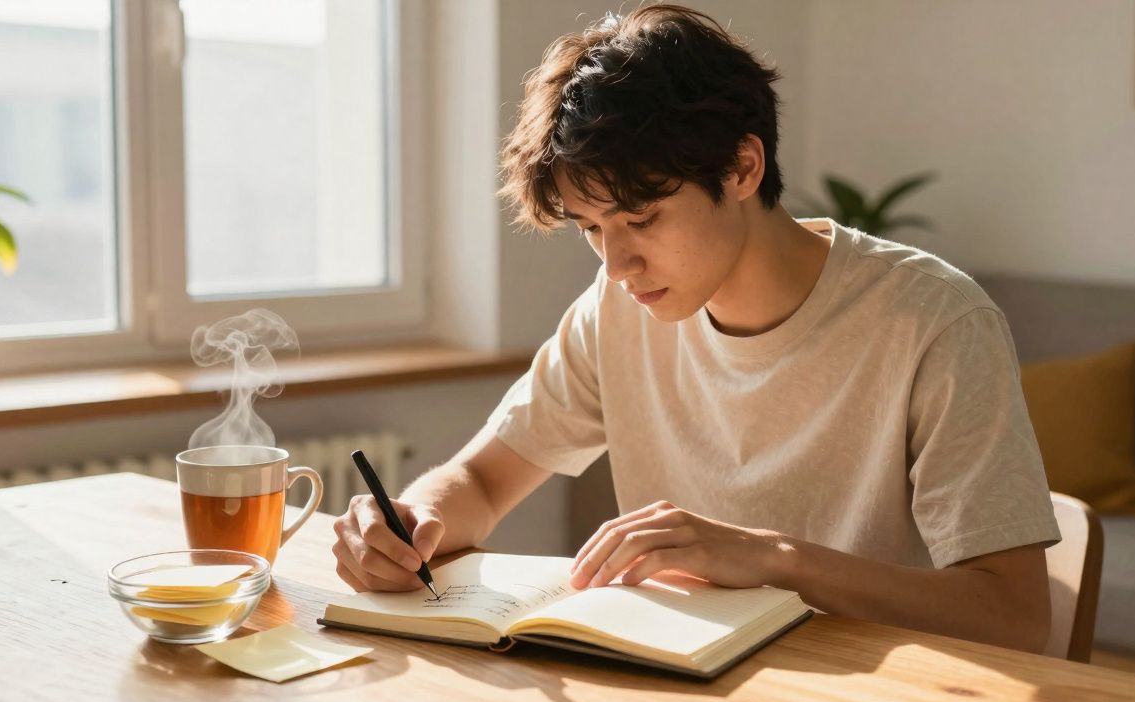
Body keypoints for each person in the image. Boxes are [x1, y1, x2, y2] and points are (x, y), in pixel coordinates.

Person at [333, 4, 1061, 653]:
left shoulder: (933, 321)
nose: (617, 262)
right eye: (591, 227)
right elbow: (483, 479)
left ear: (743, 167)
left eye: (642, 218)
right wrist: (410, 521)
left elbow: (1016, 616)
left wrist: (775, 557)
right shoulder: (618, 307)